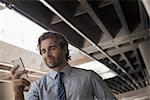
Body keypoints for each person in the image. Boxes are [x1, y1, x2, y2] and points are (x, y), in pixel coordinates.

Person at [11, 30, 117, 100]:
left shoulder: (88, 77)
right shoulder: (37, 87)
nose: (47, 54)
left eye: (52, 48)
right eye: (43, 51)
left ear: (64, 49)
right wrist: (18, 93)